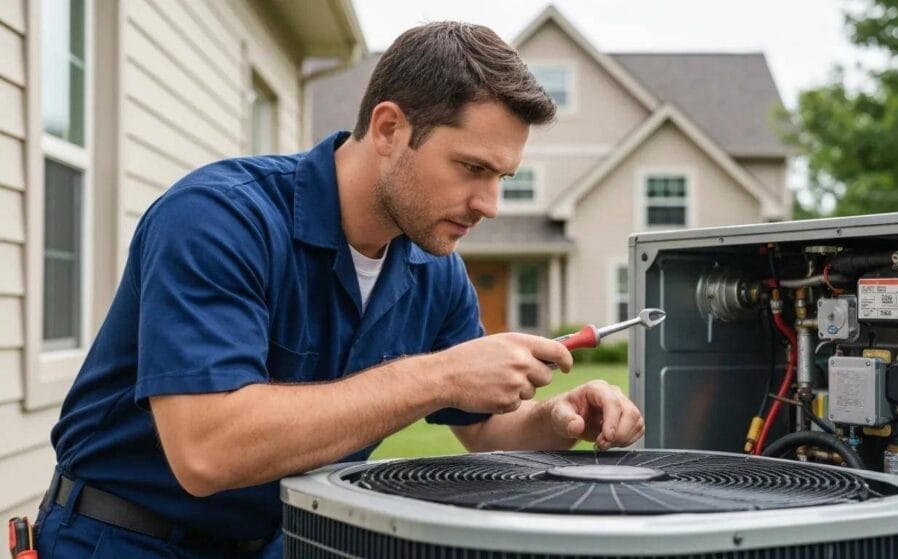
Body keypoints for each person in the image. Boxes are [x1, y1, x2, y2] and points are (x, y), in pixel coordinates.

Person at [35, 21, 644, 558]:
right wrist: (440, 375)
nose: (489, 204)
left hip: (284, 541)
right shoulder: (219, 218)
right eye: (472, 168)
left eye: (502, 177)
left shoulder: (435, 270)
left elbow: (483, 430)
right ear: (389, 128)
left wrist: (556, 420)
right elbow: (207, 452)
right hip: (121, 538)